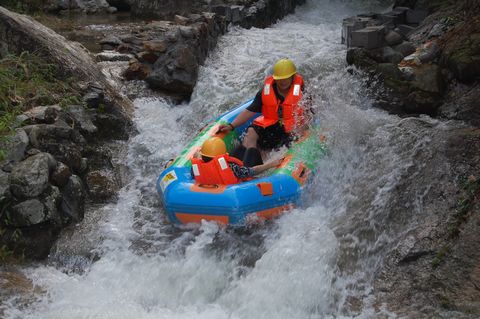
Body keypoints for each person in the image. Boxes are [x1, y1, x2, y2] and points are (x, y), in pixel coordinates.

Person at [218, 58, 308, 151]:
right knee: (251, 131)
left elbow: (308, 117)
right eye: (280, 79)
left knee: (295, 136)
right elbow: (250, 111)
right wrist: (231, 126)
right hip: (272, 128)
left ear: (293, 77)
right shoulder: (265, 92)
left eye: (286, 78)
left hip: (291, 130)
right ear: (275, 78)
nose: (283, 82)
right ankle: (247, 162)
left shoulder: (303, 93)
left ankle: (277, 161)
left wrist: (303, 134)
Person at [191, 137, 282, 185]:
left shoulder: (195, 169)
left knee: (240, 148)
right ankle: (263, 153)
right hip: (235, 185)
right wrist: (271, 164)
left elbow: (204, 160)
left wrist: (198, 155)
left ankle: (244, 147)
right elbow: (252, 171)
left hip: (217, 184)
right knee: (252, 151)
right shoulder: (232, 168)